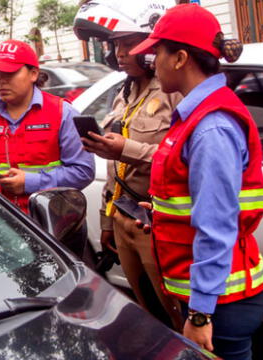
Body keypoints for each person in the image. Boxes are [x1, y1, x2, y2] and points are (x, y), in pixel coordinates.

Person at [130, 4, 263, 359]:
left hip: (221, 303)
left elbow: (217, 225)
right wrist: (161, 213)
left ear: (180, 58)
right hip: (215, 298)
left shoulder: (210, 126)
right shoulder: (197, 115)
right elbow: (196, 198)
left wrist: (200, 313)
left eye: (156, 53)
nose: (152, 63)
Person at [73, 0, 184, 331]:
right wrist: (107, 221)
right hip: (124, 220)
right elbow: (114, 169)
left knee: (177, 315)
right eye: (115, 45)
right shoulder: (124, 90)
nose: (119, 53)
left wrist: (126, 149)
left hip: (156, 223)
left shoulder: (172, 91)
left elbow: (178, 157)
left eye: (128, 43)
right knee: (149, 313)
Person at [0, 39, 95, 215]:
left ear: (33, 74)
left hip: (49, 225)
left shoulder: (63, 113)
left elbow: (83, 171)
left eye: (9, 74)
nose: (0, 81)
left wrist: (30, 182)